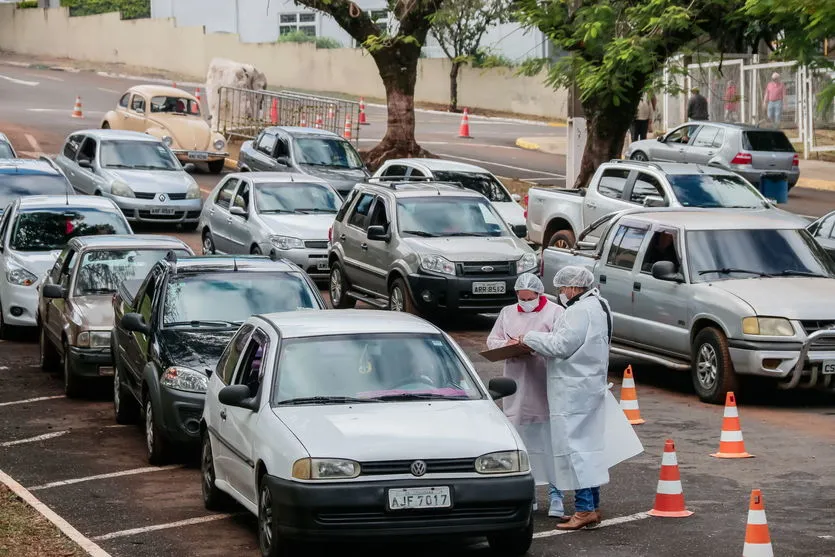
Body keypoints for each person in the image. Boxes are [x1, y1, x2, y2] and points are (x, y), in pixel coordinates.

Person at [519, 266, 612, 531]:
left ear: (573, 288)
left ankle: (583, 510)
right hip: (589, 385)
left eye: (562, 289)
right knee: (589, 447)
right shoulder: (600, 305)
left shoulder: (579, 311)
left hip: (573, 391)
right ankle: (592, 506)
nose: (561, 293)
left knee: (575, 449)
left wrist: (530, 337)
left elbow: (561, 346)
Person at [487, 273, 565, 518]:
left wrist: (534, 345)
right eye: (521, 299)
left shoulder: (555, 312)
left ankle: (557, 494)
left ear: (540, 295)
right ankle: (528, 493)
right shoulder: (508, 313)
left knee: (550, 442)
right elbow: (493, 340)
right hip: (516, 383)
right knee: (522, 442)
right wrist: (510, 347)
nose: (525, 303)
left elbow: (560, 343)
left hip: (543, 383)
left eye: (530, 299)